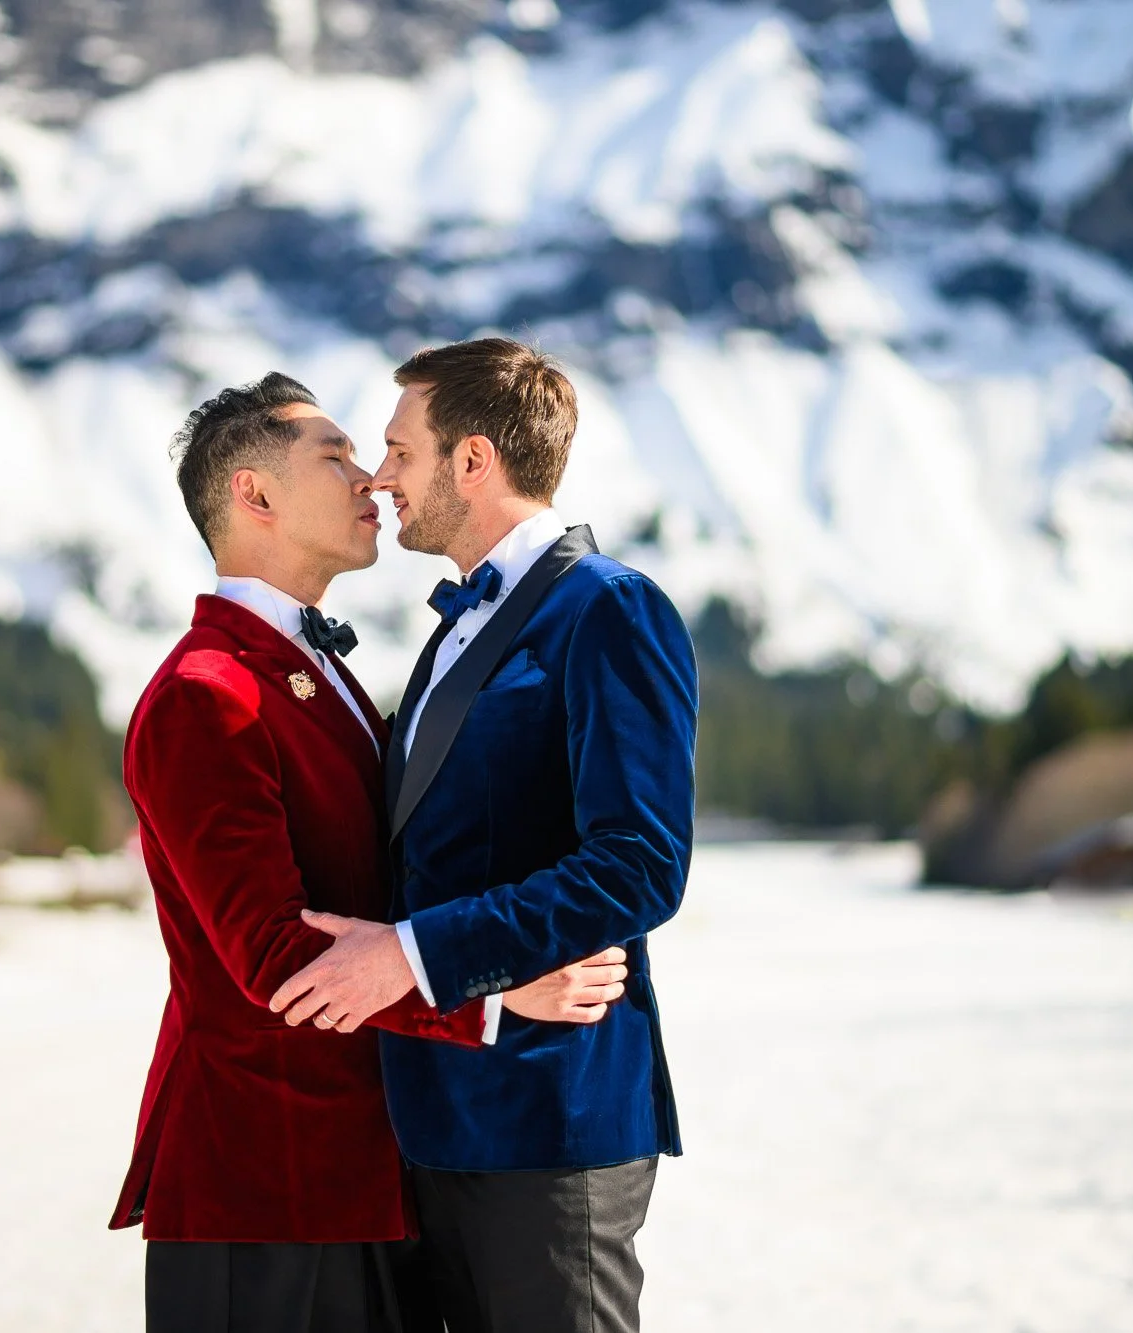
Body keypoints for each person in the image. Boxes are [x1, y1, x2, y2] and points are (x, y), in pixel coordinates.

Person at [111, 372, 631, 1333]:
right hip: (263, 1192)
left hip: (362, 1184)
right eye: (336, 456)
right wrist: (492, 994)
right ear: (254, 495)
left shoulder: (320, 677)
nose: (371, 480)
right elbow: (275, 957)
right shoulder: (204, 692)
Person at [268, 340, 698, 1333]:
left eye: (398, 450)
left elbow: (638, 862)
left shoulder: (610, 610)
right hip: (431, 1124)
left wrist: (416, 956)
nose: (379, 477)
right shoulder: (453, 630)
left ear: (472, 461)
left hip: (553, 1119)